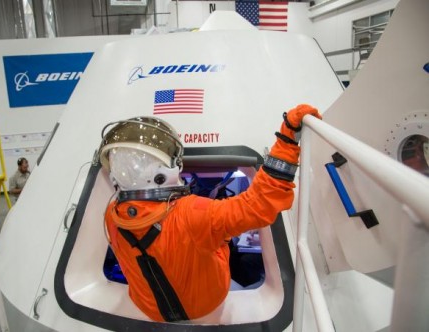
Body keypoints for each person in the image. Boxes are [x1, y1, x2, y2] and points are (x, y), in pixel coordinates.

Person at [99, 104, 321, 322]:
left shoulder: (112, 215)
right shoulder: (194, 213)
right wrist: (288, 139)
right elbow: (261, 204)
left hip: (149, 308)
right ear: (162, 173)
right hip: (205, 307)